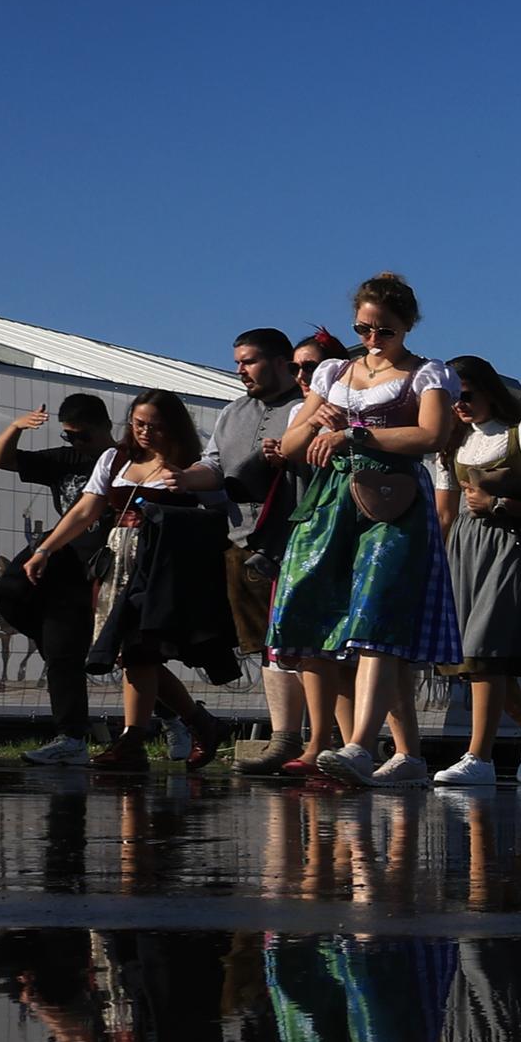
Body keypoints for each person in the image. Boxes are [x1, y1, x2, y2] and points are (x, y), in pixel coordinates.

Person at [267, 275, 462, 787]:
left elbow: (431, 434)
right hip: (333, 502)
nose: (373, 341)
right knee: (325, 611)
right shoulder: (335, 372)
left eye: (385, 332)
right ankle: (409, 756)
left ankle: (358, 746)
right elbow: (288, 447)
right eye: (364, 329)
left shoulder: (426, 373)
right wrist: (317, 421)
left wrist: (355, 431)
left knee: (378, 619)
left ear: (407, 326)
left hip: (391, 501)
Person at [19, 389, 237, 773]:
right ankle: (198, 723)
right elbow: (86, 509)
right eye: (138, 424)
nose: (145, 432)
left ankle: (133, 739)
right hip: (119, 563)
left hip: (164, 568)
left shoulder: (194, 464)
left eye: (154, 425)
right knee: (131, 652)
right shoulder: (114, 458)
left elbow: (221, 516)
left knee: (140, 649)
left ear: (173, 426)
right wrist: (45, 550)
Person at [431, 356, 521, 787]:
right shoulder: (452, 444)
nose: (461, 405)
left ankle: (480, 757)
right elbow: (445, 514)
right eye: (453, 398)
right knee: (476, 657)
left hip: (517, 546)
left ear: (490, 390)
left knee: (485, 647)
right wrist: (436, 564)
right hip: (468, 551)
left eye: (467, 395)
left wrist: (499, 505)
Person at [0, 391, 116, 763]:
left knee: (124, 652)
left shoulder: (120, 459)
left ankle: (179, 718)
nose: (76, 443)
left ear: (106, 425)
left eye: (83, 436)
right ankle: (72, 738)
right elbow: (1, 459)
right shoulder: (67, 459)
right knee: (49, 638)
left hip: (108, 563)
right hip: (65, 565)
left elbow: (90, 511)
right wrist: (15, 427)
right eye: (69, 436)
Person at [211, 328, 319, 770]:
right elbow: (213, 464)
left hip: (297, 540)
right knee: (264, 645)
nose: (240, 370)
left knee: (310, 644)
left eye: (250, 361)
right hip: (242, 539)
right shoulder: (231, 412)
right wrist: (181, 478)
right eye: (237, 362)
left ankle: (323, 739)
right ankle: (285, 739)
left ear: (281, 362)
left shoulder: (307, 405)